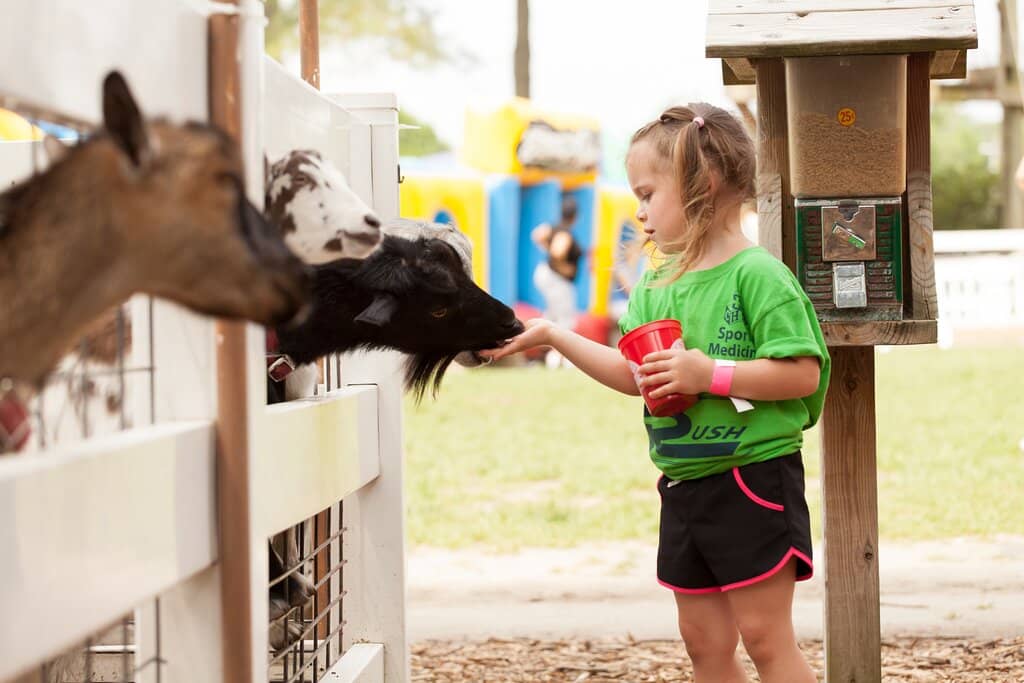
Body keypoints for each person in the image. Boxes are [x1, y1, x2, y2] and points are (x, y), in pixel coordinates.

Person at [484, 103, 830, 683]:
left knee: (767, 641)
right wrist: (552, 335)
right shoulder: (653, 285)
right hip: (684, 486)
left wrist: (709, 375)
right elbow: (634, 377)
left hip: (753, 479)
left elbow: (802, 374)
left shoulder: (758, 275)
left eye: (648, 194)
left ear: (705, 183)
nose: (639, 213)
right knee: (704, 645)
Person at [531, 195, 582, 367]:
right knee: (564, 319)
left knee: (552, 315)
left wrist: (547, 248)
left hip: (548, 276)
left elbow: (537, 234)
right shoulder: (565, 232)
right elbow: (558, 251)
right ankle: (560, 357)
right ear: (575, 216)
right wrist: (562, 266)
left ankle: (547, 355)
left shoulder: (553, 227)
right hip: (557, 279)